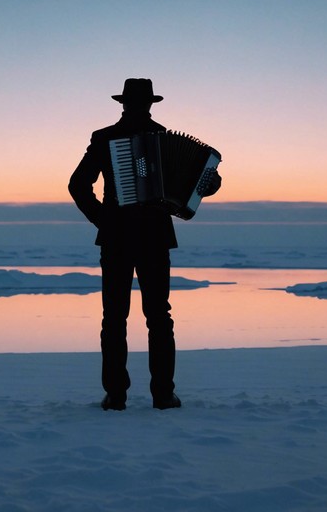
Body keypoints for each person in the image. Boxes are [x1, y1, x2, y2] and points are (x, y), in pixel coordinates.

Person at [68, 78, 221, 410]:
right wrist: (103, 219)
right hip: (148, 237)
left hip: (121, 238)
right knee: (156, 317)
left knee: (117, 318)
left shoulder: (118, 137)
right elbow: (78, 185)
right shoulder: (113, 138)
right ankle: (161, 395)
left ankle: (118, 395)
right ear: (147, 104)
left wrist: (102, 218)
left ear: (124, 104)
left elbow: (78, 185)